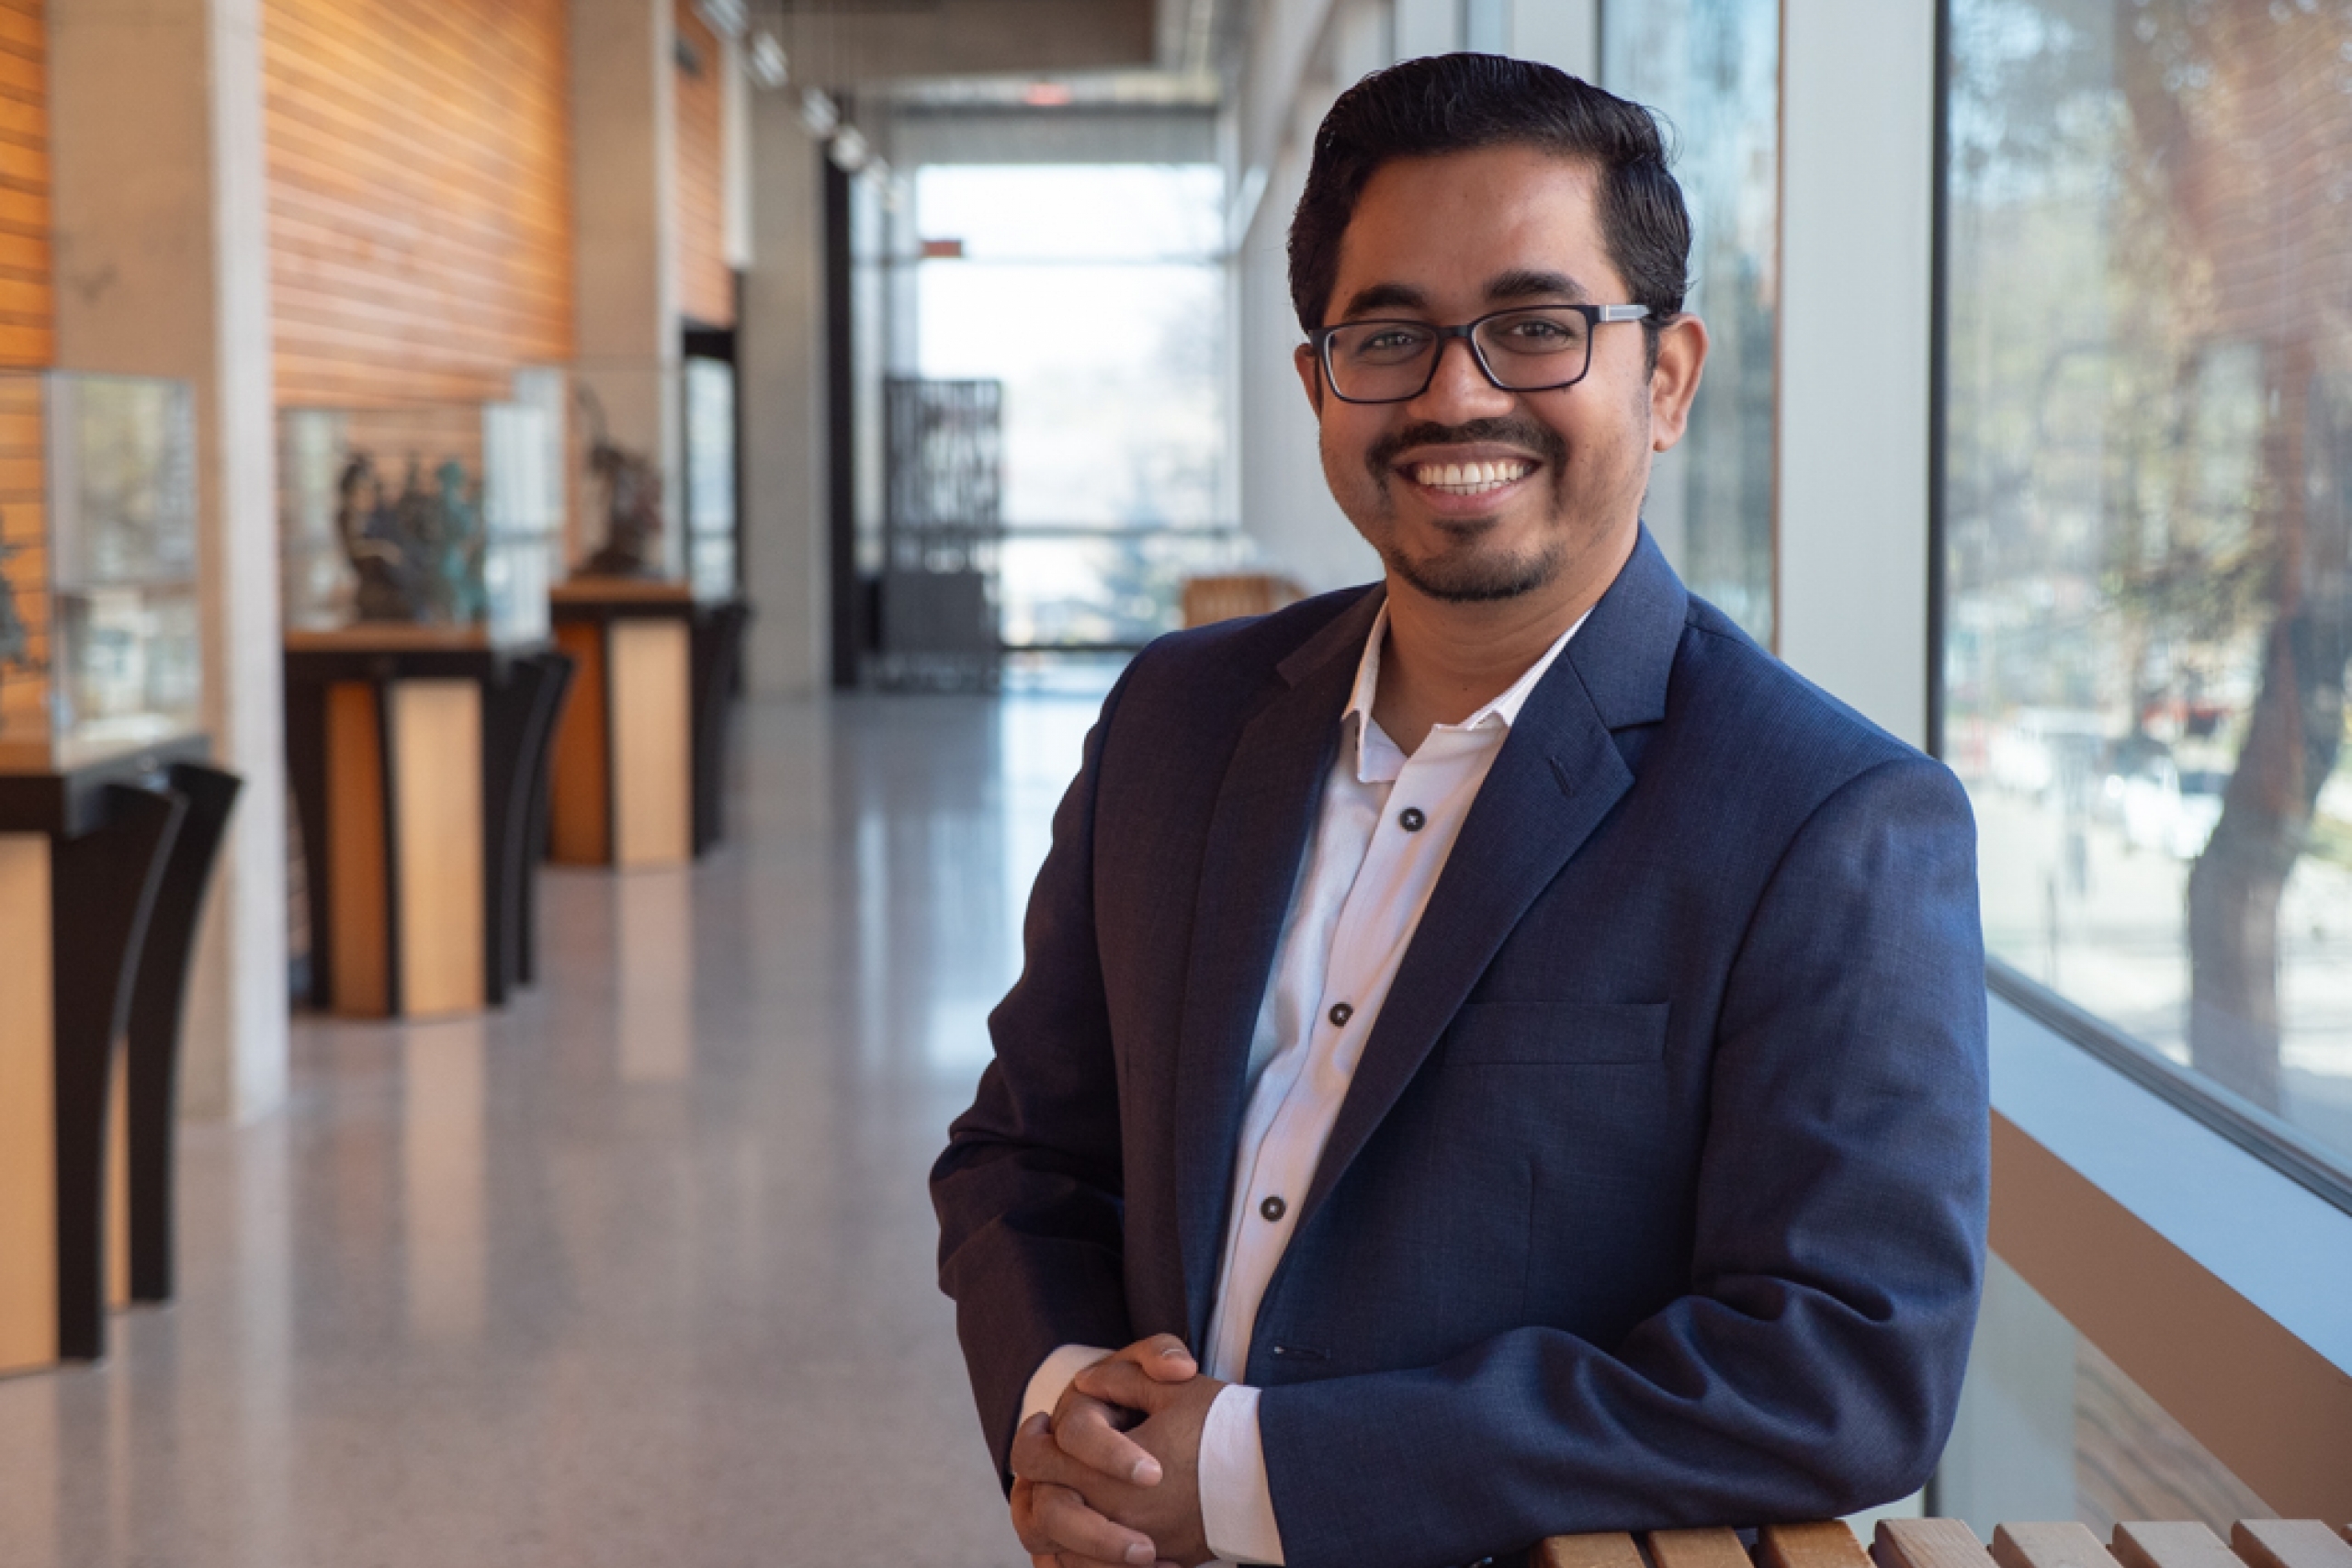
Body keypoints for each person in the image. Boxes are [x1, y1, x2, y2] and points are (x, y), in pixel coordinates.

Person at [931, 52, 1988, 1568]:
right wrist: (1070, 1413)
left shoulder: (1831, 820)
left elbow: (1843, 1369)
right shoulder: (1174, 719)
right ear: (1318, 384)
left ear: (1666, 378)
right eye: (1388, 337)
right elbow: (1026, 1155)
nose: (1457, 394)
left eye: (1536, 327)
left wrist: (1244, 1471)